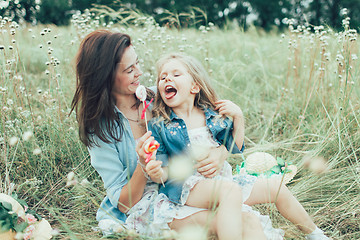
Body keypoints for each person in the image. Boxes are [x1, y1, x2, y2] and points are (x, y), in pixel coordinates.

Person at [70, 29, 273, 239]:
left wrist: (221, 152)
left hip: (189, 186)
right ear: (106, 76)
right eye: (130, 69)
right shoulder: (100, 131)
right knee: (236, 221)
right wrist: (143, 165)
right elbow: (122, 203)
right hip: (151, 202)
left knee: (249, 218)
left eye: (137, 63)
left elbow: (211, 123)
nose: (139, 73)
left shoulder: (162, 95)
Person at [147, 53, 330, 240]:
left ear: (195, 86)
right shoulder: (160, 124)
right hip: (187, 188)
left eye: (176, 75)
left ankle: (315, 234)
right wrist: (155, 172)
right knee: (229, 191)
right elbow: (164, 172)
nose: (167, 78)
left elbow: (235, 147)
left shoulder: (211, 115)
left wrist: (239, 118)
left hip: (221, 182)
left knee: (275, 187)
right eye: (162, 77)